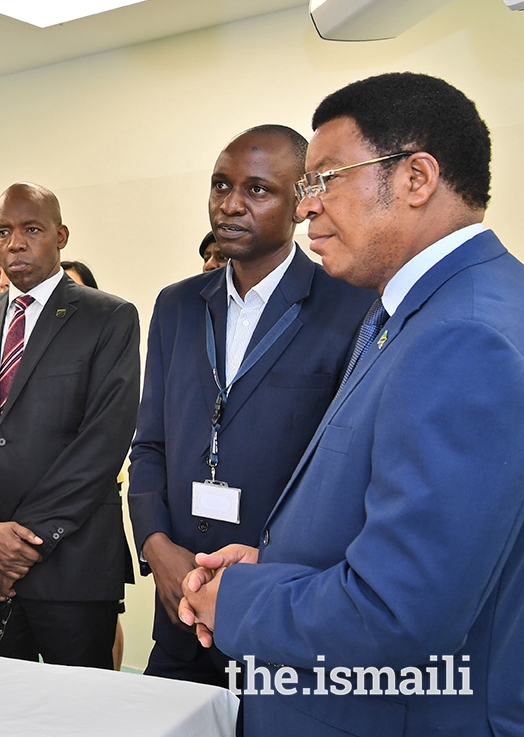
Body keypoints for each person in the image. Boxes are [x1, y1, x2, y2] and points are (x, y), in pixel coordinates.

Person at [179, 73, 524, 736]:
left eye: (326, 179)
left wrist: (241, 602)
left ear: (417, 178)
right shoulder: (406, 313)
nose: (306, 207)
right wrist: (275, 564)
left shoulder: (465, 338)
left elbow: (398, 613)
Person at [127, 126, 373, 701]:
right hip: (180, 600)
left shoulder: (350, 305)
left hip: (280, 605)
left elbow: (346, 474)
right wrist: (157, 545)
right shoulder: (177, 304)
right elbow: (150, 444)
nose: (231, 204)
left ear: (300, 201)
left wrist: (267, 571)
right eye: (220, 185)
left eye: (257, 189)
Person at [0, 182, 140, 667]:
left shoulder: (108, 317)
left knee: (75, 717)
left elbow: (102, 443)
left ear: (61, 235)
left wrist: (18, 547)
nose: (15, 243)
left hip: (70, 565)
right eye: (4, 231)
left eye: (31, 229)